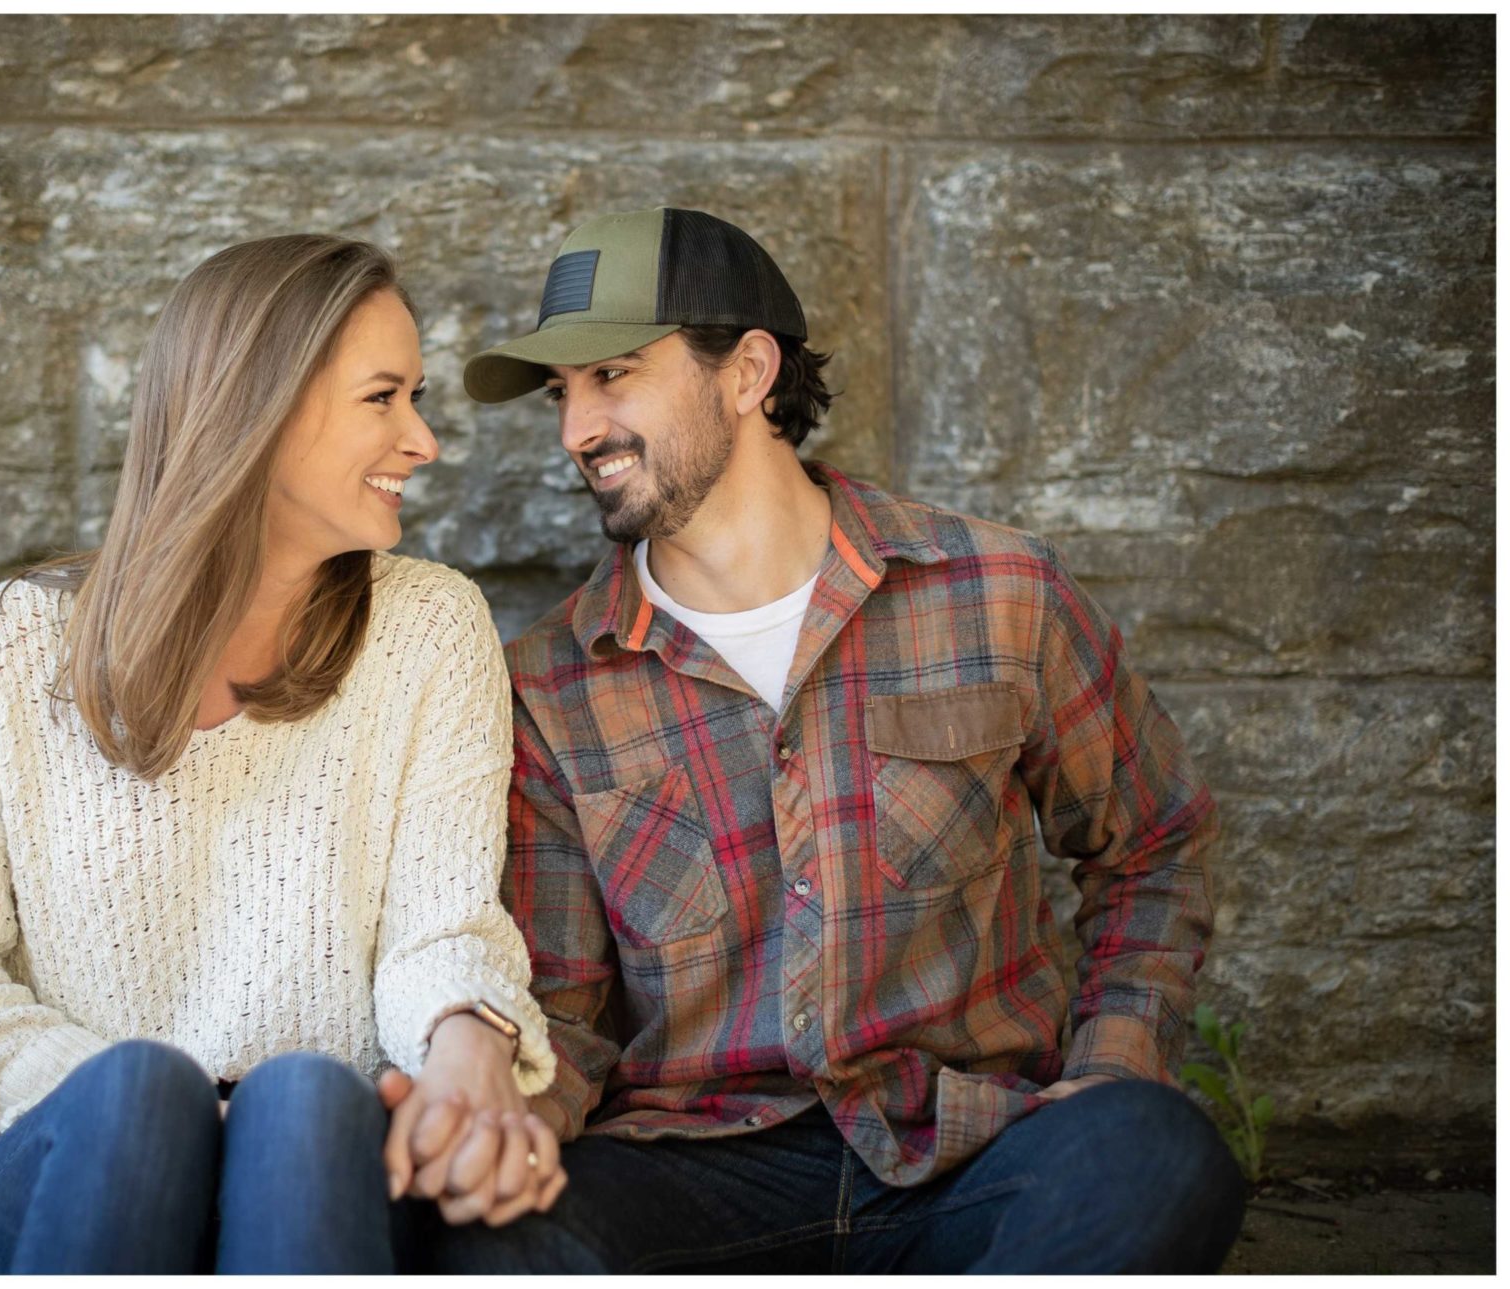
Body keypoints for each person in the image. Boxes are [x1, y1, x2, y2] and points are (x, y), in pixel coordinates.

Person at [408, 207, 1248, 1273]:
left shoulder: (996, 593)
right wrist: (510, 1119)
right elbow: (566, 1009)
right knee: (497, 1235)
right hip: (695, 1169)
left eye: (613, 373)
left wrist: (1115, 1061)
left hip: (970, 1153)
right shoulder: (552, 684)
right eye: (561, 393)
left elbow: (1153, 840)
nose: (578, 428)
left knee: (1156, 1154)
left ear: (750, 370)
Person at [0, 234, 568, 1275]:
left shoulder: (430, 629)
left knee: (307, 1092)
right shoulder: (0, 648)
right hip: (67, 1175)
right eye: (384, 397)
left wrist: (473, 1038)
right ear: (260, 410)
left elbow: (440, 925)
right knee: (144, 1092)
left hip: (318, 1173)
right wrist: (186, 1108)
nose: (422, 441)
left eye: (415, 397)